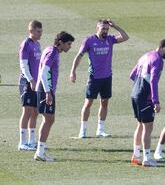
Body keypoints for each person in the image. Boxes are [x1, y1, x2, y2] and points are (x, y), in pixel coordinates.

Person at [70, 19, 129, 138]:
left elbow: (125, 37)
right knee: (88, 103)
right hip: (94, 77)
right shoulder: (89, 41)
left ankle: (100, 129)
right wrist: (73, 71)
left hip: (107, 77)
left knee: (104, 102)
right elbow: (79, 56)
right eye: (103, 28)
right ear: (97, 28)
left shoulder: (110, 39)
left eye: (107, 29)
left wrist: (115, 26)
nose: (105, 31)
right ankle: (83, 130)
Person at [130, 39, 165, 167]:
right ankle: (147, 158)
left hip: (135, 94)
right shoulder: (158, 60)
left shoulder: (145, 56)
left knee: (140, 125)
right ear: (164, 48)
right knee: (148, 127)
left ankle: (136, 155)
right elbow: (153, 81)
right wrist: (155, 101)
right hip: (145, 97)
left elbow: (132, 75)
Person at [34, 31, 75, 162]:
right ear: (61, 43)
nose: (70, 46)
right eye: (68, 44)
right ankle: (40, 152)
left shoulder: (50, 50)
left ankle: (41, 151)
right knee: (48, 119)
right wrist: (47, 92)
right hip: (46, 89)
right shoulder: (52, 52)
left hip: (46, 89)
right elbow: (44, 73)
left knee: (49, 119)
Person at [18, 20, 42, 151]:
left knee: (35, 112)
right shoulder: (26, 45)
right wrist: (31, 80)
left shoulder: (37, 44)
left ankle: (32, 141)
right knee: (27, 111)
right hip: (27, 82)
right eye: (38, 31)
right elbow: (23, 65)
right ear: (31, 31)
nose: (40, 34)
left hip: (36, 82)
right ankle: (22, 142)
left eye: (41, 31)